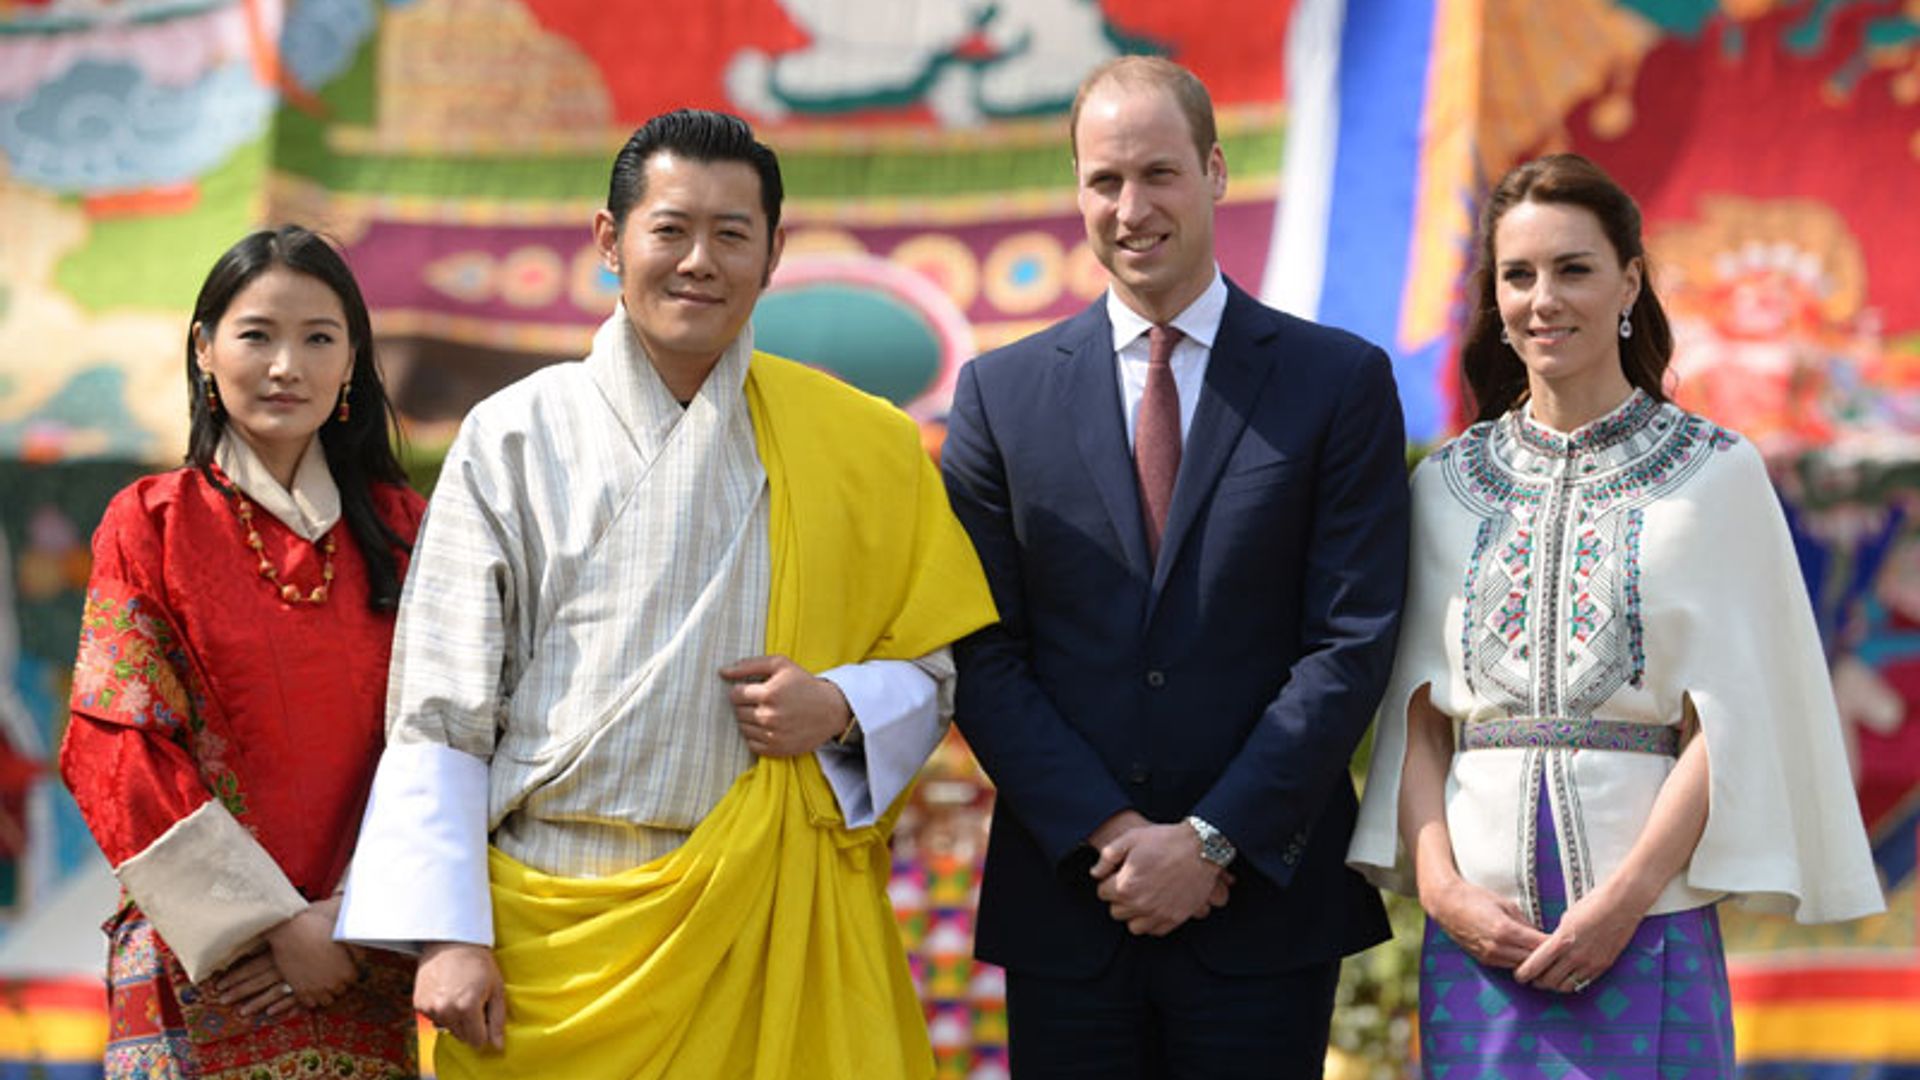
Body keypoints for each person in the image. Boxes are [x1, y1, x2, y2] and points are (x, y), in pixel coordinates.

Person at [335, 108, 997, 1080]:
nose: (700, 261)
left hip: (762, 914)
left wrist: (842, 705)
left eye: (733, 235)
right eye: (671, 229)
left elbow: (936, 670)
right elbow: (440, 706)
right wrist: (446, 935)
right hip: (550, 930)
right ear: (611, 241)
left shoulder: (862, 445)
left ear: (774, 254)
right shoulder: (512, 436)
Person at [1347, 153, 1885, 1074]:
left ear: (1630, 279)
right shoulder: (1444, 483)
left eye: (1574, 269)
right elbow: (1419, 717)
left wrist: (1626, 898)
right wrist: (1439, 888)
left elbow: (1735, 714)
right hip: (1481, 933)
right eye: (1518, 275)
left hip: (1648, 917)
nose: (1543, 299)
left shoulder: (1716, 471)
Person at [940, 57, 1410, 1076]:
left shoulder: (1337, 384)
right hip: (1071, 901)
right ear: (1075, 189)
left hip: (1264, 912)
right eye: (1104, 180)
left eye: (1159, 173)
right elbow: (980, 648)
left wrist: (1211, 841)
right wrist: (1108, 831)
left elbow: (1351, 644)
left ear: (1215, 171)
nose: (1131, 206)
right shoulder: (1000, 397)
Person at [59, 225, 425, 1079]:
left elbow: (454, 739)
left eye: (318, 339)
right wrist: (268, 922)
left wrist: (349, 923)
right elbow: (117, 744)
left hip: (361, 961)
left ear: (351, 364)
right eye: (257, 334)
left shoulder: (410, 531)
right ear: (204, 350)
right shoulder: (150, 522)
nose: (285, 365)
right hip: (201, 962)